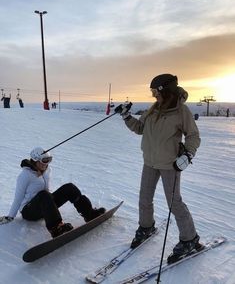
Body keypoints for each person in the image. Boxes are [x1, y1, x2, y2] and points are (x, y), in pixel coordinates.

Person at [116, 74, 201, 259]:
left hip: (170, 164)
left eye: (155, 91)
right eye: (152, 92)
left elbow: (193, 136)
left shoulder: (181, 111)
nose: (154, 95)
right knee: (144, 198)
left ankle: (189, 239)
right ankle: (146, 227)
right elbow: (140, 128)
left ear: (166, 91)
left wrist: (188, 154)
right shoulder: (154, 109)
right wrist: (126, 116)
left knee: (174, 203)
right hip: (150, 162)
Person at [0, 147, 105, 238]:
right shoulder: (25, 175)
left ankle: (89, 213)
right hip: (29, 211)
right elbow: (18, 197)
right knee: (44, 194)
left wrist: (50, 204)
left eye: (49, 160)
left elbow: (47, 191)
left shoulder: (47, 170)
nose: (47, 163)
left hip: (45, 204)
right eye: (44, 160)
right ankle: (56, 228)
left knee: (69, 187)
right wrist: (10, 216)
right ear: (36, 160)